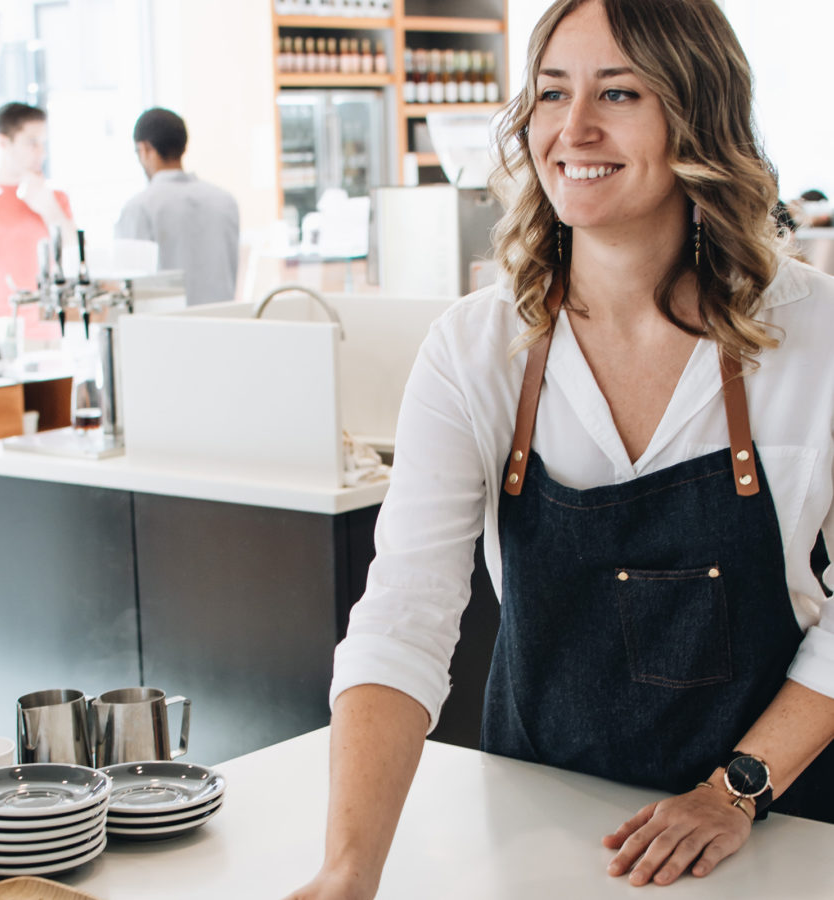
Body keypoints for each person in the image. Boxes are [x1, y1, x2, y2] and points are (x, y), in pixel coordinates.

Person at [286, 0, 834, 896]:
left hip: (778, 834)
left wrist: (734, 792)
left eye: (617, 93)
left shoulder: (818, 338)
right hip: (542, 827)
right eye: (550, 94)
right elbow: (402, 620)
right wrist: (348, 874)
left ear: (697, 115)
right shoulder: (474, 350)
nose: (573, 129)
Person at [0, 101, 75, 342]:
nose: (41, 152)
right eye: (32, 142)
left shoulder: (55, 198)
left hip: (55, 335)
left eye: (42, 143)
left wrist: (48, 208)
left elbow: (76, 253)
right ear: (3, 142)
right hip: (3, 338)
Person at [115, 108, 240, 305]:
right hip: (223, 327)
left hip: (166, 331)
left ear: (145, 149)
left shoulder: (139, 208)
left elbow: (128, 291)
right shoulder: (225, 202)